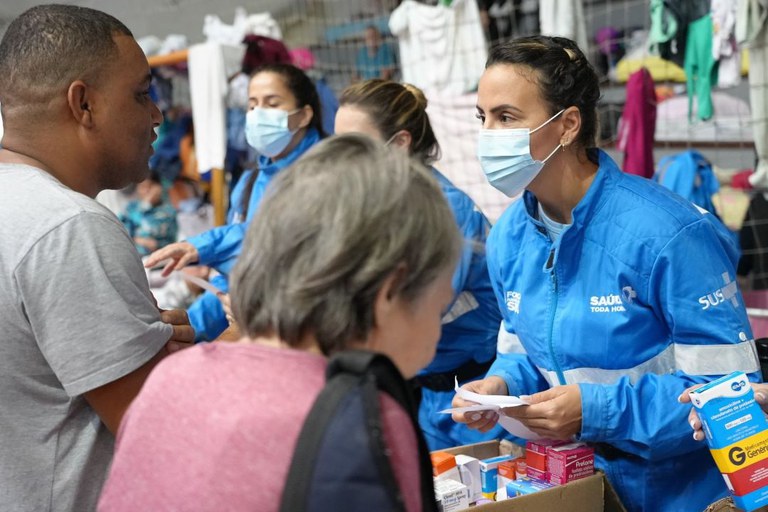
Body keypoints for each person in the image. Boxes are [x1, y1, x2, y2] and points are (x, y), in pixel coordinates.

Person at [451, 36, 761, 512]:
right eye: (483, 117)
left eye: (507, 117)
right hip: (573, 485)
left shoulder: (668, 235)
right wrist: (501, 387)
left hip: (679, 494)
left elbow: (733, 400)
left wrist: (596, 411)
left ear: (568, 125)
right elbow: (522, 353)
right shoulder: (508, 238)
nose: (488, 135)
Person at [98, 134, 460, 511]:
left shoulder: (171, 379)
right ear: (390, 291)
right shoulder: (362, 422)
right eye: (438, 304)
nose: (436, 330)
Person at [0, 5, 194, 511]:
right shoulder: (67, 228)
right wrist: (242, 345)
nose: (156, 115)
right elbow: (161, 433)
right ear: (83, 104)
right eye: (141, 94)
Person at [334, 78, 503, 450]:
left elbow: (410, 306)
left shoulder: (445, 210)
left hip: (476, 400)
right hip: (426, 392)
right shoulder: (374, 202)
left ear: (399, 144)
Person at [144, 63, 326, 341]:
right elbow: (237, 279)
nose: (258, 114)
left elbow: (274, 242)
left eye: (272, 103)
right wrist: (193, 325)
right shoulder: (250, 182)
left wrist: (203, 246)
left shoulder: (327, 176)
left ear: (303, 115)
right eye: (252, 105)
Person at [119, 170, 178, 257]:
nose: (147, 191)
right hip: (136, 257)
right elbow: (122, 233)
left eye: (150, 186)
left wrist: (157, 245)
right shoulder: (131, 208)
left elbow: (173, 239)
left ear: (159, 187)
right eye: (143, 187)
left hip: (162, 257)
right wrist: (146, 205)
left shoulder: (169, 211)